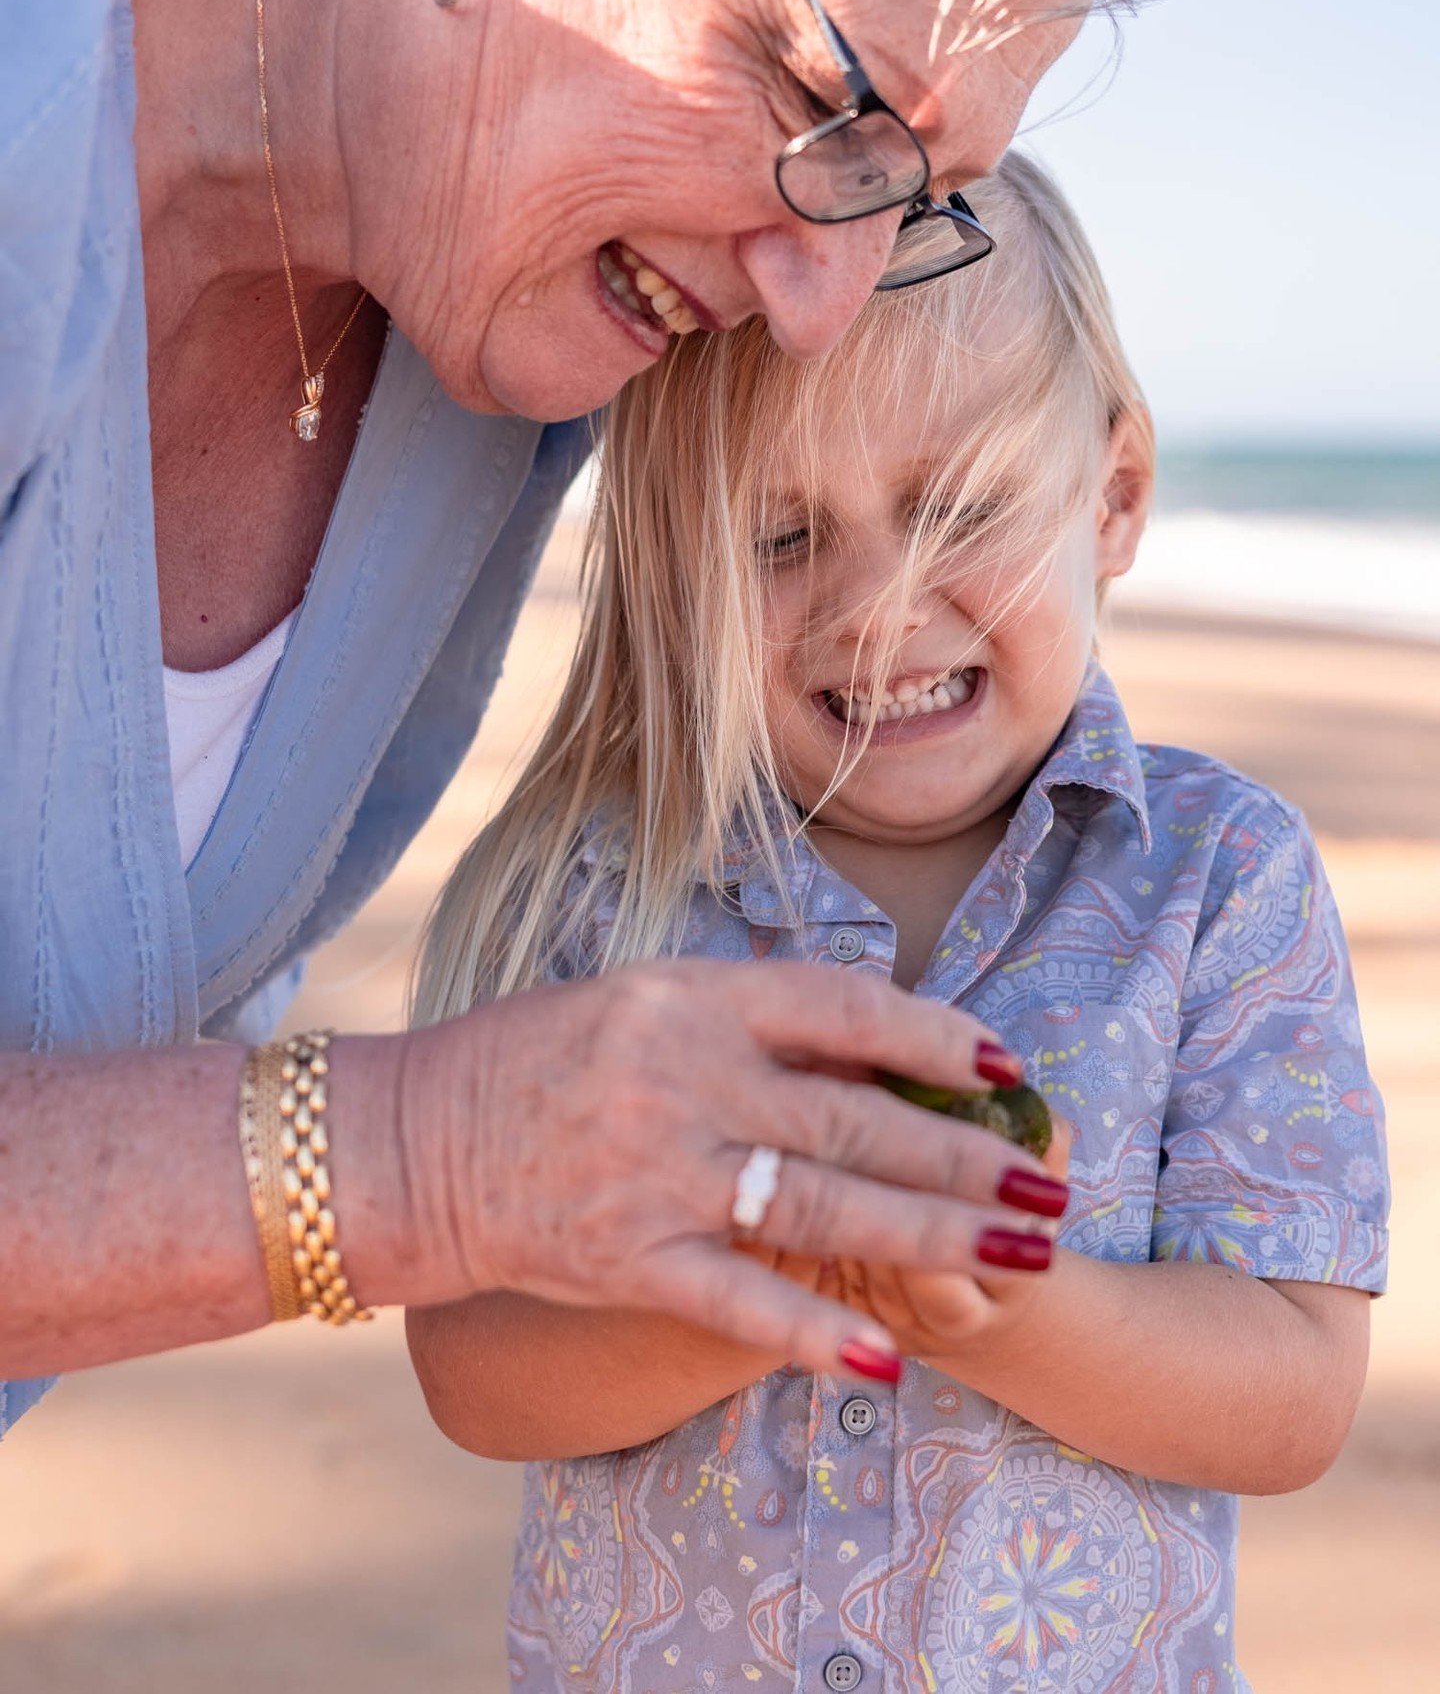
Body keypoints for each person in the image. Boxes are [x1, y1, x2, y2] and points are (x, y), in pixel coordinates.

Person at [0, 0, 1225, 1436]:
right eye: (817, 90)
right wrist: (424, 1155)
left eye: (910, 200)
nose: (816, 306)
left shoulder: (521, 361)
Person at [405, 151, 1388, 1692]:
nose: (877, 605)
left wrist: (998, 1302)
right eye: (783, 539)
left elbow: (1293, 1393)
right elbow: (476, 1368)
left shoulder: (1222, 881)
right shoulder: (602, 895)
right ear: (685, 566)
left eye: (957, 511)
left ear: (1113, 496)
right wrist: (791, 1270)